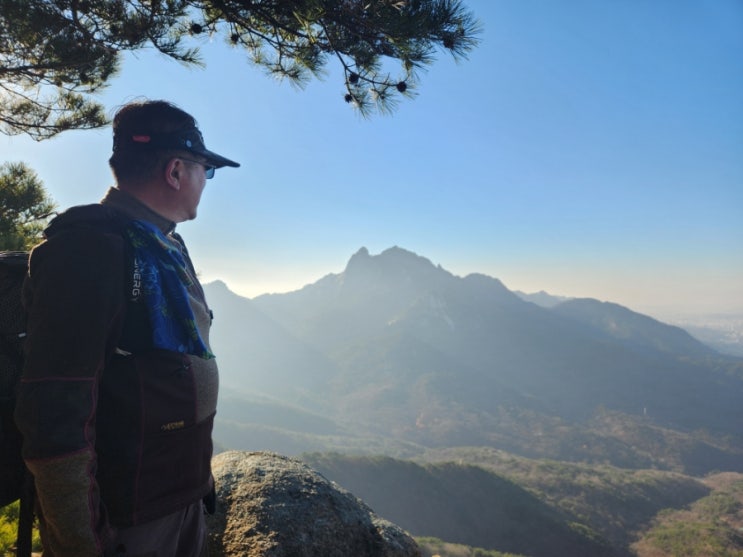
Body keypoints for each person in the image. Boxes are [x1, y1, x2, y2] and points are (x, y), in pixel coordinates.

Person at [14, 100, 240, 557]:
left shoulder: (160, 244)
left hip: (177, 499)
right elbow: (54, 413)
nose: (206, 181)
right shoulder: (89, 250)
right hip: (128, 522)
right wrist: (84, 542)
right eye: (206, 169)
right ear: (176, 171)